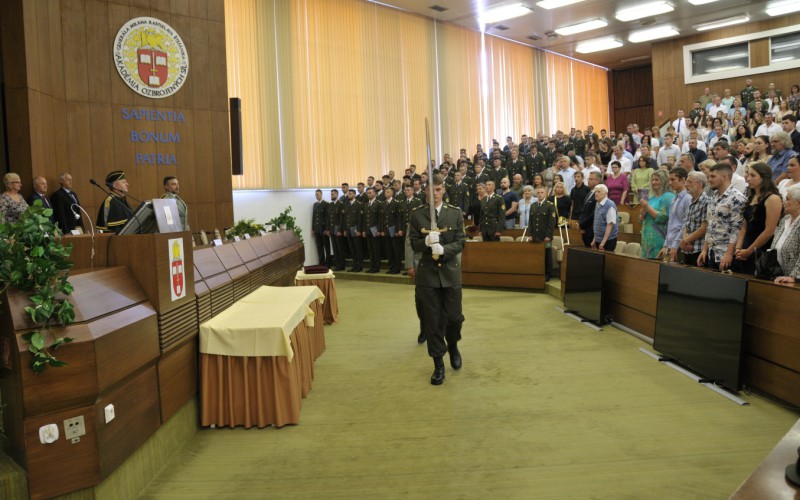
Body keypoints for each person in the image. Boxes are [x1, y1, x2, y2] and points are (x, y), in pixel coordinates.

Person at [409, 174, 466, 386]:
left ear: (443, 190)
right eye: (430, 189)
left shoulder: (454, 213)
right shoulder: (417, 215)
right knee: (432, 321)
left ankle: (453, 344)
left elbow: (461, 242)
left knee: (454, 318)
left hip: (450, 272)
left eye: (438, 189)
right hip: (428, 275)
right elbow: (413, 243)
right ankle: (438, 364)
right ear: (425, 192)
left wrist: (444, 249)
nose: (434, 193)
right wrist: (424, 241)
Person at [733, 162, 782, 274]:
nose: (748, 178)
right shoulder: (751, 196)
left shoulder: (773, 198)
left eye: (753, 175)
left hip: (761, 249)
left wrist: (749, 251)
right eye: (748, 175)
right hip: (745, 246)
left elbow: (769, 231)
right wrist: (738, 249)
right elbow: (744, 227)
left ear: (764, 177)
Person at [698, 163, 747, 270]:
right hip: (712, 252)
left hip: (726, 253)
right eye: (709, 176)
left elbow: (737, 228)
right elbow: (710, 225)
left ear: (724, 177)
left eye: (713, 176)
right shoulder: (713, 197)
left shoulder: (736, 197)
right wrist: (705, 249)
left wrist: (729, 254)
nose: (709, 179)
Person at [639, 169, 675, 259]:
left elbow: (663, 217)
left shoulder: (668, 196)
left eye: (657, 179)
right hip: (646, 239)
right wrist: (642, 215)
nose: (654, 182)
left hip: (659, 239)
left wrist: (647, 207)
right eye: (652, 180)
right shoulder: (651, 198)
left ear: (664, 181)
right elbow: (641, 220)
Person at [680, 171, 710, 266]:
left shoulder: (706, 201)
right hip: (687, 248)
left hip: (699, 250)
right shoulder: (690, 200)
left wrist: (686, 240)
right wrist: (685, 240)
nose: (686, 185)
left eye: (689, 182)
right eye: (686, 182)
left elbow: (704, 228)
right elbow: (685, 224)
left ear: (699, 184)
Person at [771, 185, 800, 283]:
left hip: (795, 281)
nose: (784, 202)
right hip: (779, 275)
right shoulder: (785, 220)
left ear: (799, 203)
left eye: (788, 199)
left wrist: (794, 277)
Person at [662, 168, 691, 262]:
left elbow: (685, 224)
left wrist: (675, 245)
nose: (670, 183)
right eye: (669, 180)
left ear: (683, 180)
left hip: (679, 244)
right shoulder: (675, 198)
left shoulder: (688, 198)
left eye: (673, 179)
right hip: (671, 243)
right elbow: (670, 224)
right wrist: (666, 245)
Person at [529, 186, 557, 281]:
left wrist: (548, 236)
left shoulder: (550, 205)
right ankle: (538, 272)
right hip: (535, 236)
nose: (540, 194)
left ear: (546, 194)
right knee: (536, 254)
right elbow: (530, 222)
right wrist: (530, 234)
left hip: (546, 237)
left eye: (542, 192)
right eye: (538, 193)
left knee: (547, 254)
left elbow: (551, 223)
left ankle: (548, 274)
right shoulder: (533, 205)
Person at [590, 184, 618, 252]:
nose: (596, 193)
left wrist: (603, 242)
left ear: (606, 193)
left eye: (599, 192)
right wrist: (594, 240)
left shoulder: (610, 205)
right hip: (599, 239)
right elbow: (597, 224)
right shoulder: (597, 204)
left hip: (608, 240)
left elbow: (610, 225)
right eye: (595, 192)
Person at [382, 186, 403, 274]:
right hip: (386, 230)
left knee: (396, 250)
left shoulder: (396, 203)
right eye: (385, 192)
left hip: (394, 230)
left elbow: (399, 218)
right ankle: (391, 267)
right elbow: (382, 218)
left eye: (387, 192)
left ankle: (397, 268)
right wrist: (382, 229)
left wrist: (398, 230)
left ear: (392, 193)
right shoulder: (383, 203)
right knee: (389, 250)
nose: (385, 193)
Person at [362, 187, 383, 273]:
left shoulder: (378, 203)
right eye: (367, 193)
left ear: (374, 193)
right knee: (370, 249)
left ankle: (376, 267)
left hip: (375, 229)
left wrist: (379, 229)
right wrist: (363, 230)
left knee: (376, 249)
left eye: (370, 193)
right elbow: (364, 218)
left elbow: (380, 218)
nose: (368, 194)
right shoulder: (366, 204)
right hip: (367, 230)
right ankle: (372, 266)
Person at [343, 189, 364, 272]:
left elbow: (360, 219)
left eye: (350, 194)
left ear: (355, 195)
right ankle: (354, 265)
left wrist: (359, 230)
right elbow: (345, 218)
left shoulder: (359, 204)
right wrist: (344, 229)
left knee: (358, 248)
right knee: (352, 249)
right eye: (348, 194)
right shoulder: (346, 204)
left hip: (355, 229)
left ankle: (359, 266)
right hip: (348, 229)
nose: (349, 195)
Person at [326, 189, 344, 269]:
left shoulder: (340, 204)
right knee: (334, 248)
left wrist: (340, 230)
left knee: (340, 247)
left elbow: (341, 218)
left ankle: (342, 265)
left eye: (333, 194)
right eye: (331, 194)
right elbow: (329, 218)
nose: (331, 196)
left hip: (338, 229)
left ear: (337, 194)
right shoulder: (330, 205)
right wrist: (328, 229)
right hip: (332, 229)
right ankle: (337, 264)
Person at [311, 189, 330, 266]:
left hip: (323, 228)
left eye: (318, 194)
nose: (317, 196)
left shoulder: (326, 204)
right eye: (316, 195)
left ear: (321, 194)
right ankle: (321, 261)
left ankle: (328, 262)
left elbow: (327, 218)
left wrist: (327, 229)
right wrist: (312, 228)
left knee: (326, 245)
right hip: (316, 228)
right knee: (319, 246)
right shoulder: (315, 205)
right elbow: (314, 217)